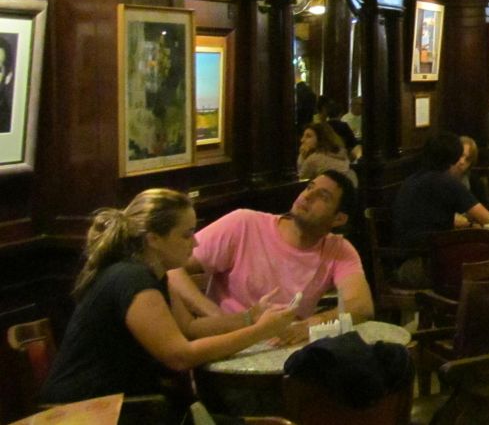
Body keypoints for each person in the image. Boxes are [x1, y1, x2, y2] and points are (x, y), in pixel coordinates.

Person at [40, 190, 295, 418]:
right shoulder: (131, 277)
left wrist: (250, 317)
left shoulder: (155, 273)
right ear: (153, 239)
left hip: (128, 404)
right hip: (92, 411)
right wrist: (261, 331)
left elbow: (190, 328)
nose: (195, 243)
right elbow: (179, 356)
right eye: (186, 234)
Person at [168, 171, 374, 346]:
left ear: (339, 219)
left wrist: (309, 325)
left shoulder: (338, 249)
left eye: (323, 196)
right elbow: (171, 266)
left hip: (283, 348)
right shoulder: (244, 223)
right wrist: (215, 315)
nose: (309, 196)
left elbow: (361, 306)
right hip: (229, 344)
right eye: (309, 187)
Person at [395, 130, 489, 248]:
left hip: (402, 251)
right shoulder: (448, 182)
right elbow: (488, 220)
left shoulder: (411, 179)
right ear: (453, 158)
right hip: (431, 254)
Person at [297, 122, 355, 186]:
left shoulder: (314, 159)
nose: (302, 140)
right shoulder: (340, 152)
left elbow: (301, 180)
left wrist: (303, 156)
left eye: (308, 136)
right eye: (303, 136)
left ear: (321, 138)